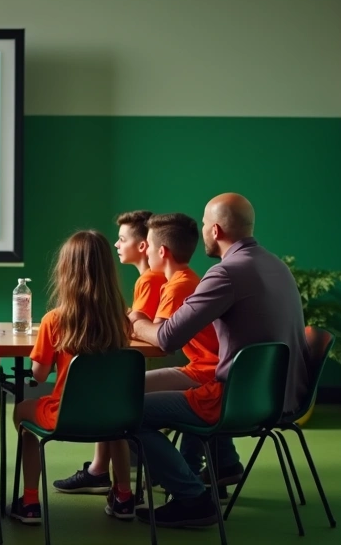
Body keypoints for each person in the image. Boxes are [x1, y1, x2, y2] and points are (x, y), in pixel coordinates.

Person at [129, 193, 309, 528]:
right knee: (200, 382)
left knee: (129, 412)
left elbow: (167, 338)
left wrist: (137, 321)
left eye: (204, 224)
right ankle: (220, 464)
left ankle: (192, 499)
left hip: (237, 402)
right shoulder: (277, 266)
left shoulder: (226, 273)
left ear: (215, 230)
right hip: (282, 397)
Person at [56, 213, 221, 519]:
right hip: (202, 369)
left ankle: (119, 478)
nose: (122, 245)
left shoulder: (174, 285)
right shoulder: (181, 280)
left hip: (204, 373)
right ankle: (202, 469)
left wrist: (133, 320)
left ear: (160, 251)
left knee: (120, 402)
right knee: (119, 396)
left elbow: (160, 337)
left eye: (148, 245)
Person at [9, 230, 132, 525]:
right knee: (118, 430)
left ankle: (30, 501)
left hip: (64, 415)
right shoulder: (121, 321)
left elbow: (38, 375)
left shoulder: (54, 320)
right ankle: (125, 497)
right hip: (110, 414)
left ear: (66, 272)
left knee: (22, 413)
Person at [114, 210, 168, 320]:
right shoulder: (157, 276)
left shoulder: (149, 280)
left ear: (142, 246)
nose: (116, 244)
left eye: (122, 240)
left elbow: (138, 325)